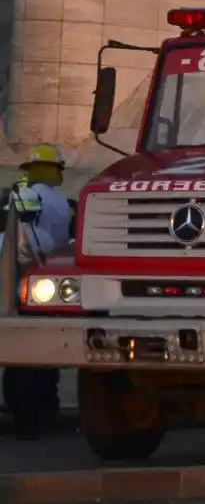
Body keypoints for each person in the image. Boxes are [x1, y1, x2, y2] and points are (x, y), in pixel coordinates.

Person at [1, 144, 74, 440]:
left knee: (24, 360)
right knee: (43, 357)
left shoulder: (27, 200)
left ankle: (28, 416)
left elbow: (24, 249)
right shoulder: (62, 202)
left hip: (23, 286)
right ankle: (43, 410)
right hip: (51, 287)